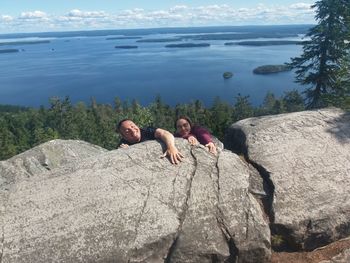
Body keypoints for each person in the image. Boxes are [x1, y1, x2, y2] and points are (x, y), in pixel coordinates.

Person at [116, 119, 184, 164]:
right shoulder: (123, 143)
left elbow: (165, 133)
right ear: (124, 136)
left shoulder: (147, 131)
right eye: (127, 131)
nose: (132, 130)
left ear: (137, 126)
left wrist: (171, 147)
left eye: (133, 126)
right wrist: (123, 151)